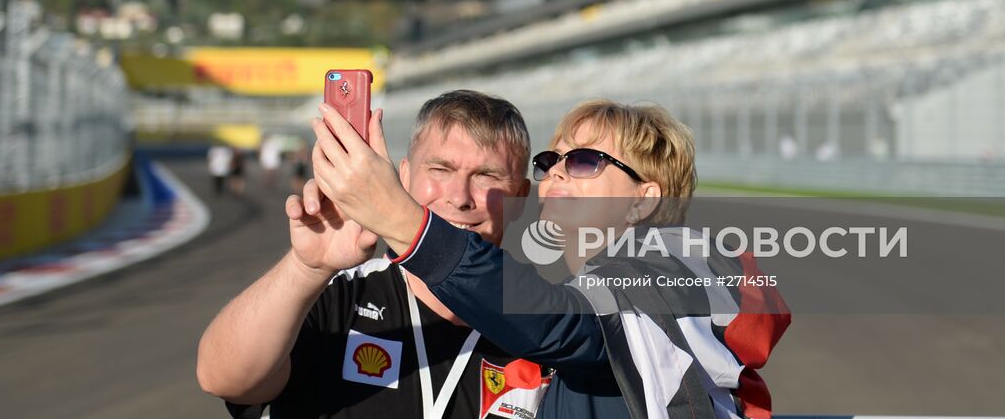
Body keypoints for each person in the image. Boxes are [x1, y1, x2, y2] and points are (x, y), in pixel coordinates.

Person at [315, 99, 790, 419]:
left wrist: (400, 217)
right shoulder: (585, 285)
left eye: (583, 161)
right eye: (550, 162)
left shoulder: (681, 259)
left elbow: (558, 324)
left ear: (643, 200)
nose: (557, 173)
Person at [197, 91, 551, 419]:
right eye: (441, 169)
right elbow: (222, 379)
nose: (460, 197)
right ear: (406, 177)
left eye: (486, 176)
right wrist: (307, 267)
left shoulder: (545, 322)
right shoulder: (336, 294)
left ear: (519, 197)